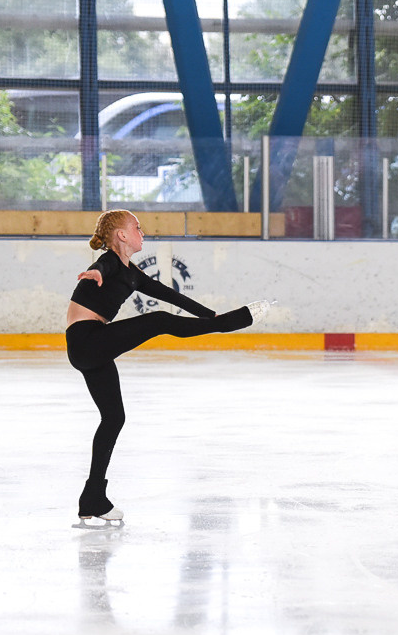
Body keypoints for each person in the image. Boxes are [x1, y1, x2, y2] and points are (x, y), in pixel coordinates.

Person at [66, 209, 271, 524]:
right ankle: (229, 324)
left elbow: (172, 296)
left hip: (94, 346)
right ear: (121, 235)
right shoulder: (108, 263)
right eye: (137, 227)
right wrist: (94, 274)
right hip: (87, 340)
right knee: (159, 320)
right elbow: (100, 268)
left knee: (114, 418)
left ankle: (92, 497)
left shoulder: (133, 273)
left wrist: (212, 316)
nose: (142, 231)